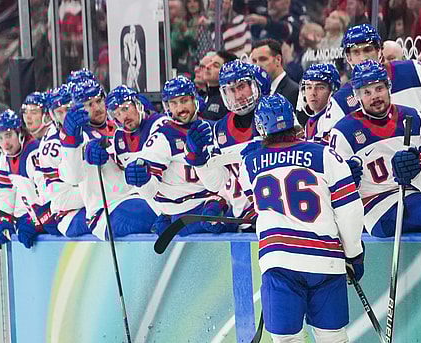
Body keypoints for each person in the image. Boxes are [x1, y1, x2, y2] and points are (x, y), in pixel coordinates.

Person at [191, 93, 366, 343]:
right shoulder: (324, 153)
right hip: (326, 260)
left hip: (280, 262)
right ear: (295, 121)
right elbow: (349, 208)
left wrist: (197, 157)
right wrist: (353, 253)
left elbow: (213, 176)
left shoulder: (251, 157)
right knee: (334, 342)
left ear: (261, 127)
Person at [329, 61, 421, 236]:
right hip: (378, 209)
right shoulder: (343, 131)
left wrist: (416, 173)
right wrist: (347, 182)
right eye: (367, 92)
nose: (374, 97)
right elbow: (333, 192)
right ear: (357, 96)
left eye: (379, 89)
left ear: (389, 87)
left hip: (417, 197)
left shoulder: (414, 118)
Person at [107, 81, 215, 235]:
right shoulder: (118, 138)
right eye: (117, 113)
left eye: (125, 108)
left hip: (199, 200)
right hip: (173, 205)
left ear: (137, 105)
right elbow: (147, 184)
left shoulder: (161, 127)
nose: (123, 116)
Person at [59, 78, 160, 239]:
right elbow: (72, 176)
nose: (97, 108)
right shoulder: (77, 135)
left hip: (135, 198)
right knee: (153, 218)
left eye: (99, 101)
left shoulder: (120, 124)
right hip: (104, 212)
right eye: (89, 104)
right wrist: (75, 145)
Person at [186, 60, 271, 232]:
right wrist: (200, 162)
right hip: (245, 223)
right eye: (231, 90)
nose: (238, 95)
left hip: (275, 217)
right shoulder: (220, 129)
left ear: (254, 85)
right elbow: (219, 183)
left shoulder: (273, 115)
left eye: (241, 87)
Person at [321, 24, 421, 133]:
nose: (363, 58)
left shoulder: (413, 70)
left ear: (379, 51)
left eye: (368, 50)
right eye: (356, 52)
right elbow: (327, 142)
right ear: (349, 58)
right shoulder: (341, 100)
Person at [35, 84, 91, 237]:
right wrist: (100, 193)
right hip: (66, 215)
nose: (66, 116)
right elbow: (60, 200)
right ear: (52, 116)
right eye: (60, 112)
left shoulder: (83, 129)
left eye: (68, 109)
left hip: (87, 206)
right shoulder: (51, 145)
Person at [0, 110, 46, 249]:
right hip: (29, 218)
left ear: (19, 133)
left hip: (46, 219)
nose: (5, 143)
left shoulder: (35, 153)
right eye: (0, 138)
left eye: (8, 135)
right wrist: (3, 219)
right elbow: (5, 192)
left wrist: (36, 221)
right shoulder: (5, 157)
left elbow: (48, 195)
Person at [251, 39, 300, 110]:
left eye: (263, 59)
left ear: (278, 60)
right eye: (254, 61)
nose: (257, 65)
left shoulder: (294, 92)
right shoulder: (257, 93)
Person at [301, 63, 341, 144]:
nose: (313, 93)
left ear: (333, 91)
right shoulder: (311, 121)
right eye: (309, 87)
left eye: (320, 88)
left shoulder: (333, 121)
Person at [200, 50, 239, 121]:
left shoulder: (229, 102)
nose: (207, 66)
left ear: (227, 73)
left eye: (215, 65)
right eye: (210, 62)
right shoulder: (202, 97)